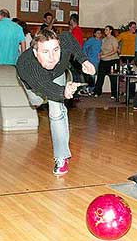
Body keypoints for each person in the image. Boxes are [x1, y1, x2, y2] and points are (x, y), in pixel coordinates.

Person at [16, 29, 95, 175]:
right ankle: (56, 97)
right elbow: (45, 87)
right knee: (37, 101)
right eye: (45, 52)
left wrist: (84, 60)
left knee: (56, 112)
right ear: (35, 52)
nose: (52, 57)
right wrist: (62, 92)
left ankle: (61, 158)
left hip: (57, 75)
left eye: (56, 50)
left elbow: (70, 40)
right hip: (36, 84)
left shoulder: (63, 40)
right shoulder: (26, 65)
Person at [92, 25, 119, 99]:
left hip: (113, 61)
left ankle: (114, 94)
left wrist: (105, 55)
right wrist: (100, 54)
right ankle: (97, 92)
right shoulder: (104, 40)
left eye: (107, 29)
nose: (105, 31)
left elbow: (115, 50)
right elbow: (102, 50)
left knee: (113, 78)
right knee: (100, 77)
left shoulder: (113, 39)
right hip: (104, 61)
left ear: (110, 31)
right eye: (105, 30)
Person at [81, 28, 102, 95]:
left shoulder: (102, 41)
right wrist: (86, 57)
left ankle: (92, 89)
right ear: (95, 34)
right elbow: (84, 47)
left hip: (100, 60)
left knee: (96, 76)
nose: (99, 34)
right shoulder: (91, 40)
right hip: (91, 60)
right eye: (97, 33)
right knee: (91, 75)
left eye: (100, 33)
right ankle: (90, 89)